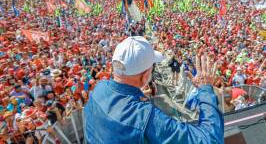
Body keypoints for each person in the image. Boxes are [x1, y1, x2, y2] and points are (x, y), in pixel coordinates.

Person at [84, 36, 224, 144]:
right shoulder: (144, 115)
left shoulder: (99, 89)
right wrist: (205, 88)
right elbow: (209, 140)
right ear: (145, 75)